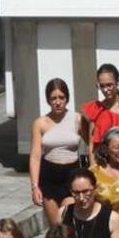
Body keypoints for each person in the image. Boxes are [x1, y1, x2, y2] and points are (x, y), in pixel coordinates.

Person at [29, 79, 82, 226]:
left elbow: (91, 146)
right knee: (56, 229)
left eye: (61, 98)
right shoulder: (40, 123)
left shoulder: (77, 119)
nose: (57, 102)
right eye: (53, 98)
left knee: (67, 223)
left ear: (67, 98)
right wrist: (35, 186)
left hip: (71, 175)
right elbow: (35, 156)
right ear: (48, 100)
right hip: (49, 177)